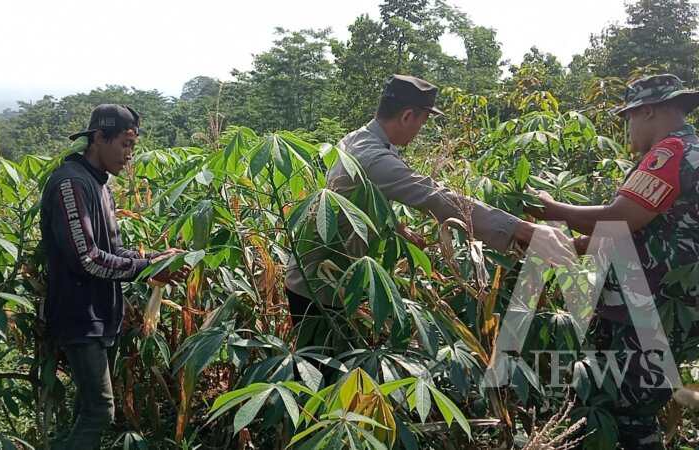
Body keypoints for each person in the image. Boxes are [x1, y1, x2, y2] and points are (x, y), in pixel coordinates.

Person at [284, 74, 573, 341]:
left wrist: (399, 229)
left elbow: (362, 196)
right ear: (407, 115)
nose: (419, 132)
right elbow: (434, 196)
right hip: (318, 287)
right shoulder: (372, 156)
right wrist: (522, 229)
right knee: (323, 375)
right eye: (421, 124)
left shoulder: (361, 138)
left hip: (328, 274)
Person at [529, 74, 699, 449]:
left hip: (649, 306)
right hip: (667, 304)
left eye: (629, 118)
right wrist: (569, 245)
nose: (628, 129)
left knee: (631, 411)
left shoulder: (670, 153)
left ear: (649, 111)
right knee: (623, 400)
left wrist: (551, 208)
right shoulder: (692, 151)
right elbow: (640, 230)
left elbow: (620, 217)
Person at [40, 104, 185, 449]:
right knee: (99, 411)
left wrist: (154, 261)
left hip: (100, 315)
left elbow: (115, 252)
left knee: (85, 408)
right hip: (80, 317)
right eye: (124, 144)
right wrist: (144, 267)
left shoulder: (99, 185)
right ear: (98, 139)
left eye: (133, 147)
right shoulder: (70, 184)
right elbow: (87, 259)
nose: (129, 155)